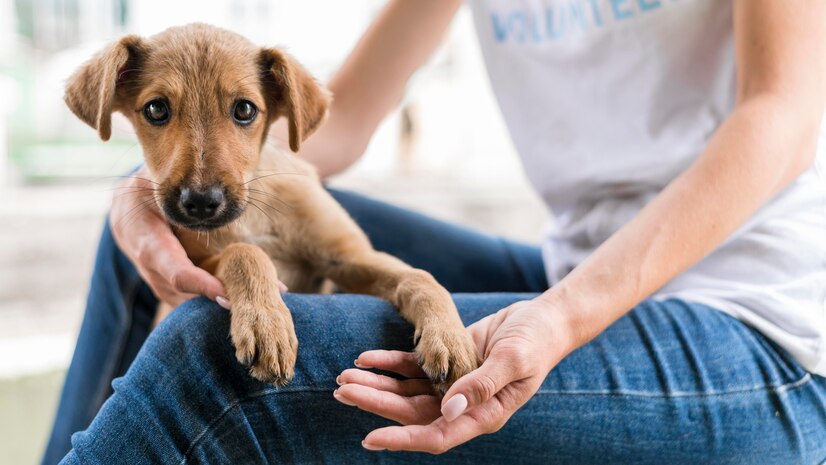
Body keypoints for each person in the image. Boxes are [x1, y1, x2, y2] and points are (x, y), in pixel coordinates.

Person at [43, 1, 826, 463]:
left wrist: (560, 317)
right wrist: (144, 192)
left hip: (759, 320)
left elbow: (783, 119)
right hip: (572, 263)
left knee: (208, 355)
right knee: (142, 239)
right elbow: (335, 122)